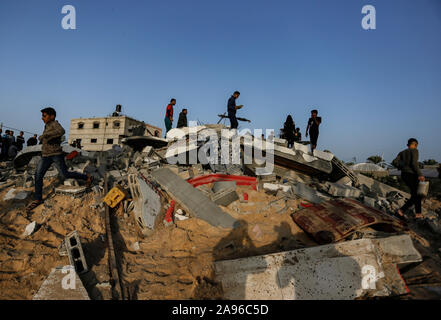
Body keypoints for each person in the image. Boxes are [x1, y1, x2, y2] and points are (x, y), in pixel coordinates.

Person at [26, 107, 92, 213]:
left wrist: (45, 135)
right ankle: (38, 198)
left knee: (64, 174)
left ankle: (86, 177)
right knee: (38, 175)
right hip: (46, 155)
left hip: (56, 154)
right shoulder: (46, 125)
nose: (42, 118)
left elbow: (61, 131)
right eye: (42, 115)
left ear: (52, 116)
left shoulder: (55, 124)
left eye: (44, 115)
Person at [394, 138, 425, 220]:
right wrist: (420, 174)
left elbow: (395, 162)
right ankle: (401, 211)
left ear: (408, 144)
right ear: (415, 145)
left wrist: (403, 167)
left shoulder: (402, 152)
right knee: (417, 195)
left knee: (416, 194)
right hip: (412, 174)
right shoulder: (414, 151)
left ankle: (418, 213)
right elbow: (414, 164)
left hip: (404, 174)